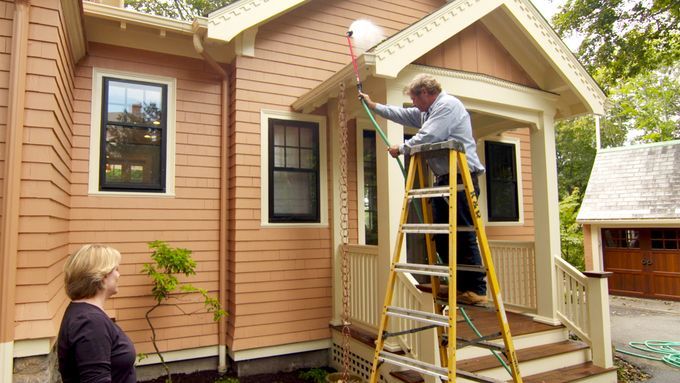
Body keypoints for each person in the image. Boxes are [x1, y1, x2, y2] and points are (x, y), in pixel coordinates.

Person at [359, 74, 487, 305]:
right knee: (443, 234)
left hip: (461, 178)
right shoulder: (429, 111)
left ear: (426, 93)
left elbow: (429, 136)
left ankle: (476, 288)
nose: (414, 104)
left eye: (414, 99)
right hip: (445, 178)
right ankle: (458, 285)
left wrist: (402, 148)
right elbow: (404, 114)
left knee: (462, 233)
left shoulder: (447, 107)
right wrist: (374, 106)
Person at [58, 244, 136, 383]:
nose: (119, 274)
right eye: (116, 269)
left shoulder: (84, 313)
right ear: (101, 275)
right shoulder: (90, 322)